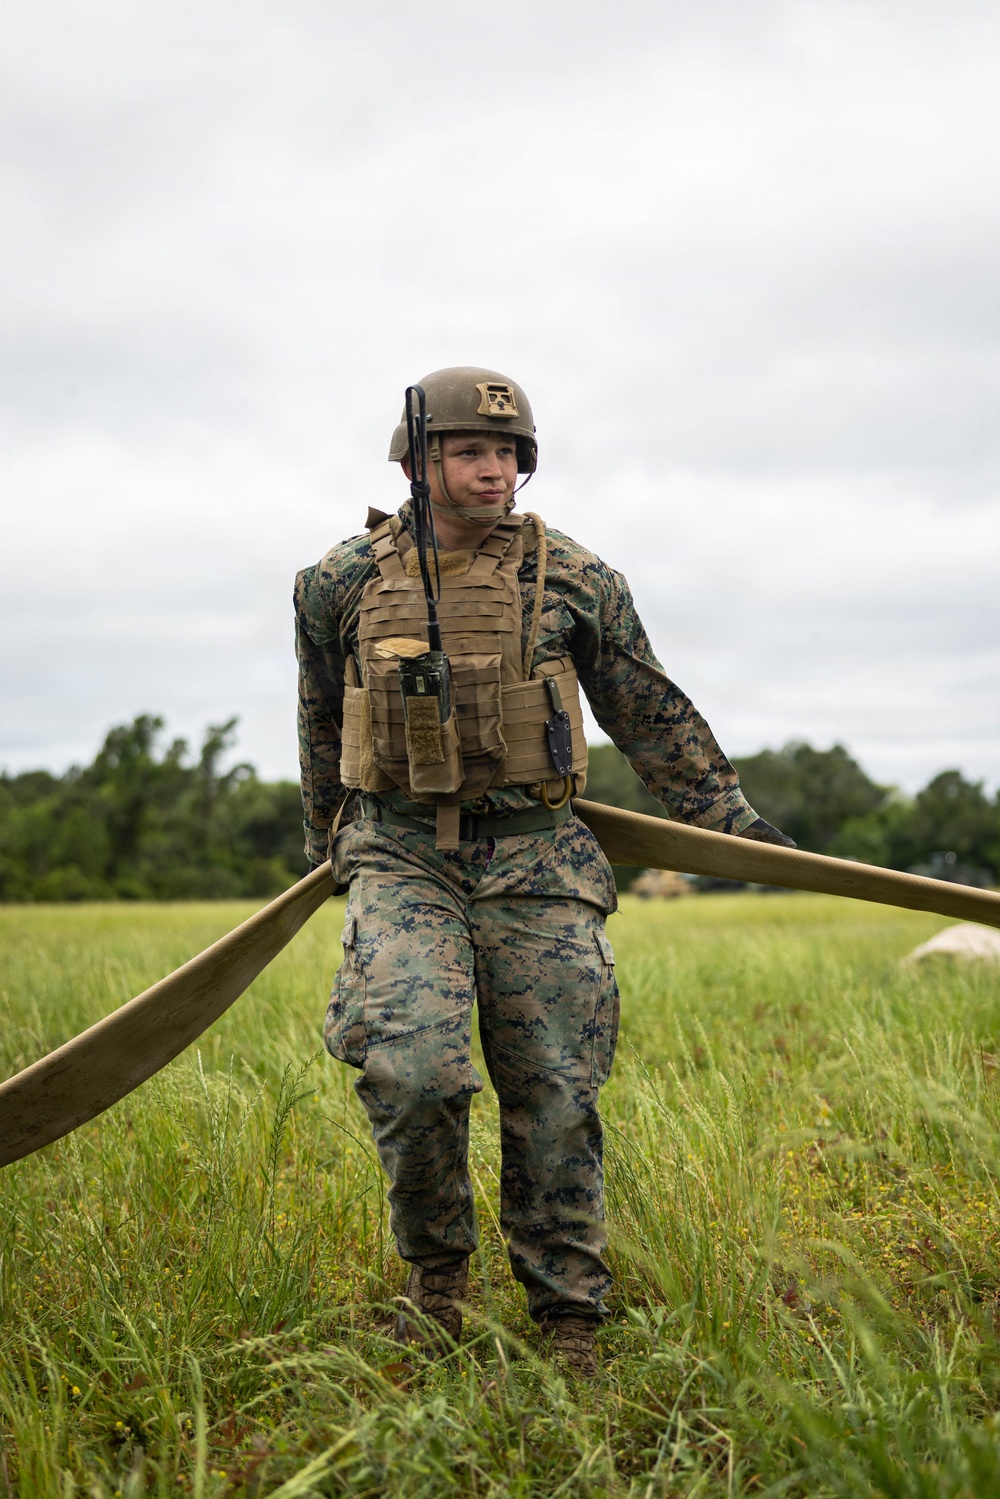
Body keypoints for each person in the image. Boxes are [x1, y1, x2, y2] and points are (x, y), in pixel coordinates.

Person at [294, 367, 792, 1376]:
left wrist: (729, 824)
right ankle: (436, 1282)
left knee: (556, 1090)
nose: (493, 469)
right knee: (414, 1072)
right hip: (399, 850)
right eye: (469, 451)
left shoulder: (575, 577)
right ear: (417, 459)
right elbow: (319, 717)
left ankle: (569, 1315)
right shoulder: (337, 580)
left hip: (537, 852)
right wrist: (326, 842)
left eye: (508, 451)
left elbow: (646, 709)